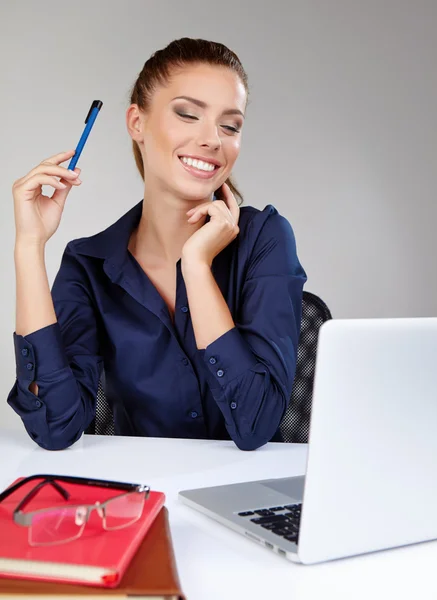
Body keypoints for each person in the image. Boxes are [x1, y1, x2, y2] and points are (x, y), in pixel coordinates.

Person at [7, 38, 307, 452]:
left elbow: (255, 424)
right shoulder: (89, 265)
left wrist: (197, 268)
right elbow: (55, 427)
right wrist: (29, 245)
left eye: (230, 125)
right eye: (188, 114)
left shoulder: (264, 238)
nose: (212, 140)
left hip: (243, 499)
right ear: (137, 123)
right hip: (140, 498)